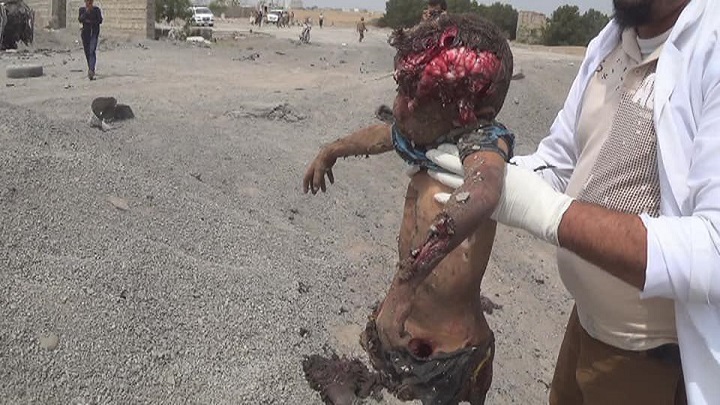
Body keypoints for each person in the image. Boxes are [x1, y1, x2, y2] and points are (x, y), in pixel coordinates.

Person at [418, 0, 720, 404]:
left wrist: (550, 213)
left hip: (653, 362)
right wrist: (486, 172)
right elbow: (559, 162)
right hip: (585, 327)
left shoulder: (712, 47)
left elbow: (713, 249)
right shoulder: (610, 43)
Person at [302, 13, 514, 404]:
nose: (398, 108)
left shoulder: (483, 145)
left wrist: (404, 286)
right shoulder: (431, 136)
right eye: (400, 90)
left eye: (411, 96)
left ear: (463, 110)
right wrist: (332, 150)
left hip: (451, 348)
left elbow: (483, 192)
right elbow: (382, 135)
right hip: (402, 325)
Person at [78, 0, 102, 80]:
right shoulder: (82, 10)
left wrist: (91, 21)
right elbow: (80, 19)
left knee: (92, 50)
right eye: (87, 2)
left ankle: (91, 70)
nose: (89, 3)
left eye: (90, 2)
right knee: (87, 52)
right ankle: (91, 68)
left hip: (94, 33)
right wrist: (86, 12)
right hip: (85, 34)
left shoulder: (96, 10)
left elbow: (100, 20)